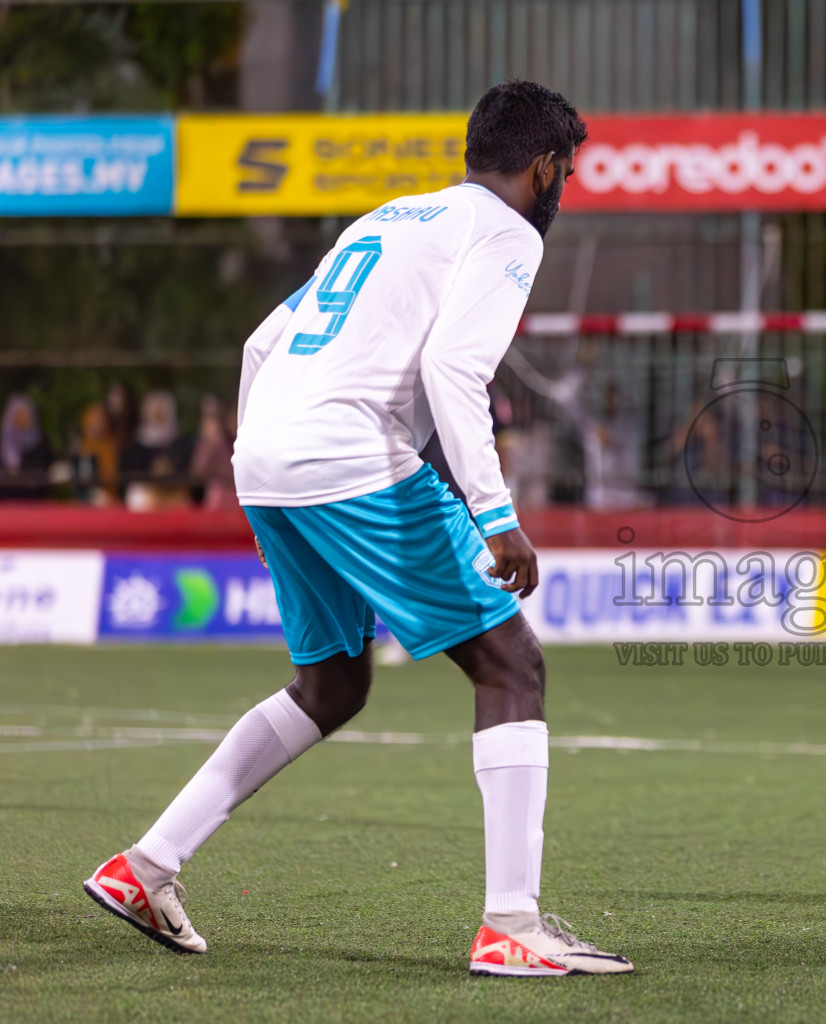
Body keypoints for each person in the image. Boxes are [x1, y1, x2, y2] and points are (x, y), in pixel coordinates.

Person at [83, 81, 632, 977]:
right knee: (511, 663)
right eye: (564, 172)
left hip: (267, 458)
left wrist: (263, 461)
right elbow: (456, 369)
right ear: (543, 167)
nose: (561, 189)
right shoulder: (504, 231)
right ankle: (511, 925)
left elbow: (263, 342)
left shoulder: (387, 218)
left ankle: (146, 866)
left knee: (333, 683)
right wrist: (498, 518)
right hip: (349, 457)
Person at [0, 394, 52, 500]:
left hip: (35, 498)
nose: (24, 418)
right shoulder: (4, 443)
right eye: (20, 414)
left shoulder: (41, 441)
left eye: (27, 414)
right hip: (7, 499)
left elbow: (45, 467)